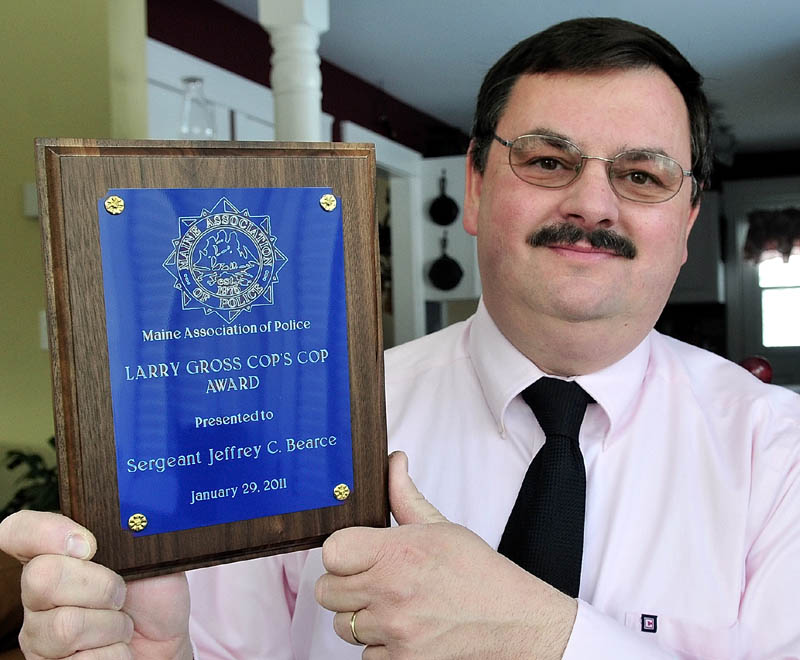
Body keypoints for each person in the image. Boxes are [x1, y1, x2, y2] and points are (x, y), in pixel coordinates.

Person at [2, 16, 799, 659]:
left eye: (642, 175)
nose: (592, 203)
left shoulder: (780, 455)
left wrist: (542, 638)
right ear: (479, 188)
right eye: (549, 160)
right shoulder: (307, 420)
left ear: (688, 220)